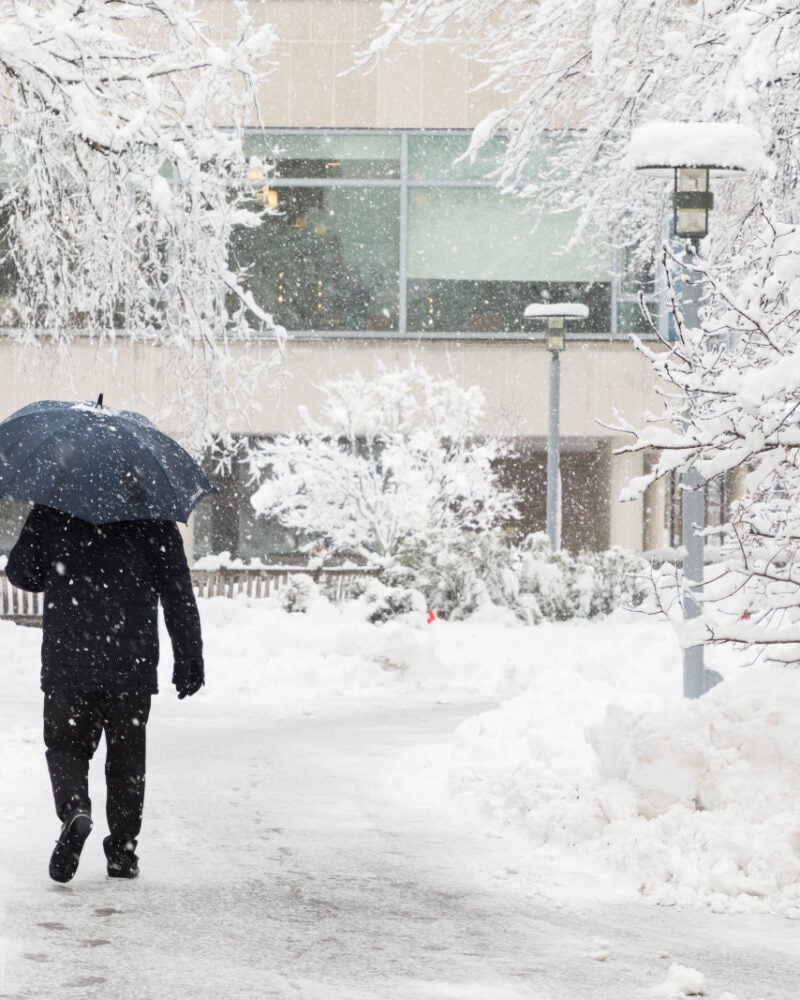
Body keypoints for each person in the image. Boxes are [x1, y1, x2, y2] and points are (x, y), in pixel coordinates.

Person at [6, 504, 204, 883]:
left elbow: (22, 574)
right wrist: (189, 656)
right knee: (127, 761)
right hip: (131, 662)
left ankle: (75, 810)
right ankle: (122, 851)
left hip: (69, 659)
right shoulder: (155, 518)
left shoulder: (54, 508)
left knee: (66, 747)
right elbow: (177, 591)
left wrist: (56, 554)